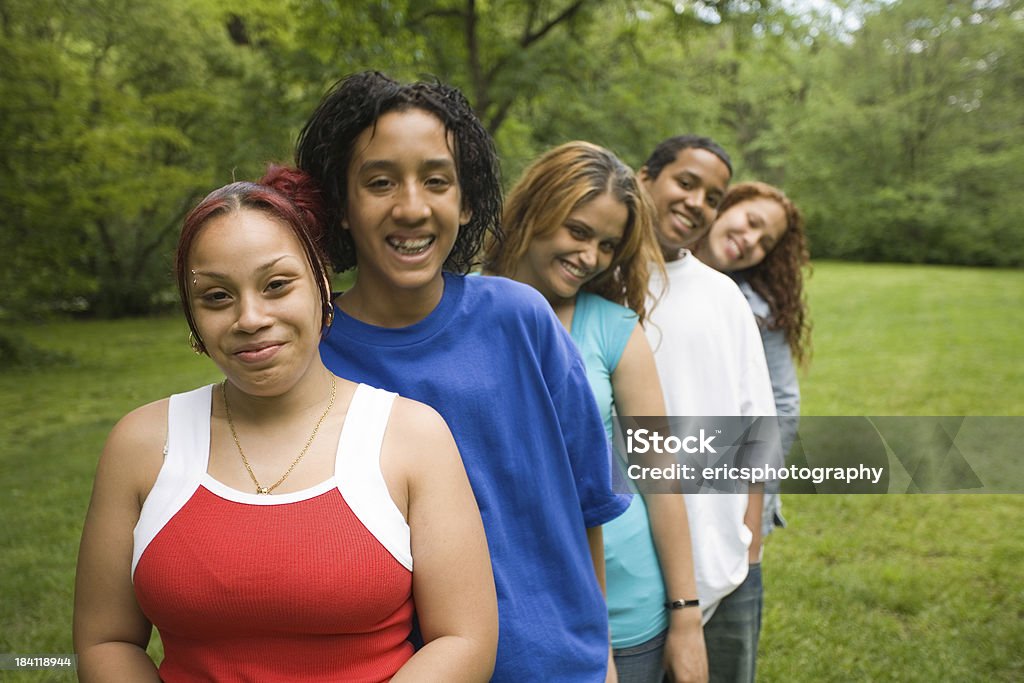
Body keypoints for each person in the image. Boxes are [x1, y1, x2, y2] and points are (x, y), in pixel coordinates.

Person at [73, 166, 497, 682]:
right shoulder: (139, 446)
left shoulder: (412, 438)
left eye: (276, 285)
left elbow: (464, 639)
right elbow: (106, 640)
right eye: (217, 297)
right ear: (193, 317)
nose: (249, 317)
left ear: (321, 285)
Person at [295, 72, 630, 682]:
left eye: (436, 180)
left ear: (467, 200)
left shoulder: (522, 320)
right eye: (379, 182)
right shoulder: (312, 356)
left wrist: (600, 655)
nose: (412, 207)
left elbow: (586, 507)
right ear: (340, 205)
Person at [483, 141, 708, 683]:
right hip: (494, 609)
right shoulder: (461, 309)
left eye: (607, 245)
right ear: (535, 210)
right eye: (578, 232)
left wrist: (686, 617)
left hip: (624, 608)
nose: (591, 257)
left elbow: (661, 476)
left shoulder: (614, 331)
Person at [638, 136, 776, 683]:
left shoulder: (724, 297)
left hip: (725, 562)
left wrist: (749, 543)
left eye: (713, 196)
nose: (697, 202)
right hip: (635, 570)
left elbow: (757, 427)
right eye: (686, 182)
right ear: (645, 177)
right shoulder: (599, 284)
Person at [694, 181, 811, 537]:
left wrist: (756, 501)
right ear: (726, 204)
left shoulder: (756, 311)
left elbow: (782, 401)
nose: (750, 240)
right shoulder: (639, 272)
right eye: (751, 221)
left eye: (765, 243)